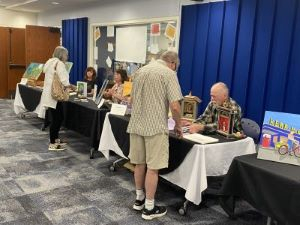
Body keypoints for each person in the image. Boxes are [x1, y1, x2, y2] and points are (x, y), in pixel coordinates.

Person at [127, 51, 183, 220]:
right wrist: (178, 125)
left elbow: (132, 101)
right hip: (155, 128)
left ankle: (139, 200)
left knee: (139, 164)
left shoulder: (140, 71)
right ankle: (149, 208)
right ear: (172, 63)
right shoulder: (169, 74)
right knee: (153, 168)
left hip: (136, 125)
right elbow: (175, 107)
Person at [40, 46, 73, 151]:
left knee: (57, 117)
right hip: (54, 95)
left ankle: (55, 138)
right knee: (57, 119)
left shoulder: (50, 62)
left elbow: (45, 71)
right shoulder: (60, 64)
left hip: (49, 94)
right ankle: (53, 143)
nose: (67, 57)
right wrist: (70, 86)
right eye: (66, 55)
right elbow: (64, 80)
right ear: (62, 54)